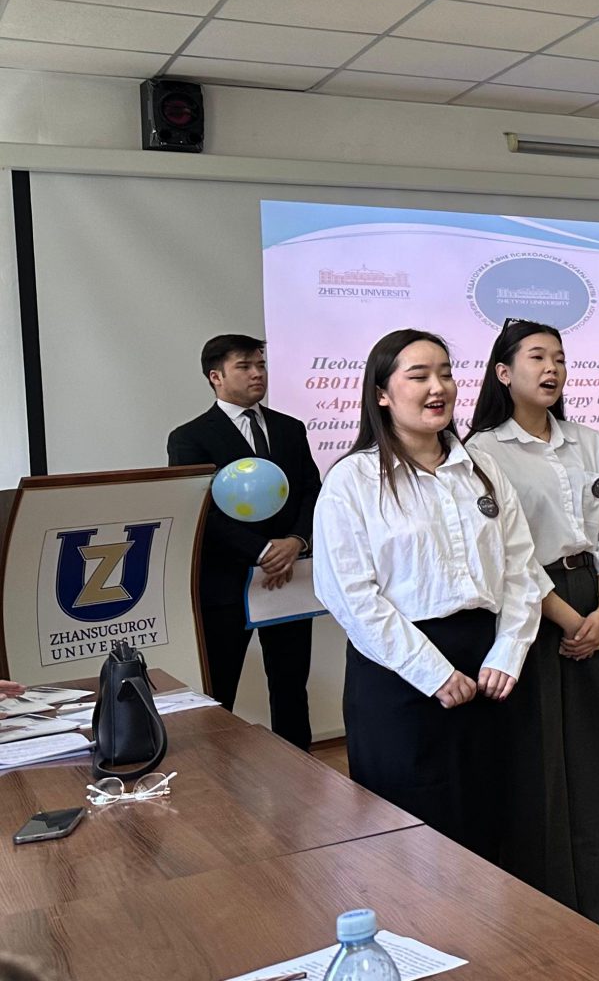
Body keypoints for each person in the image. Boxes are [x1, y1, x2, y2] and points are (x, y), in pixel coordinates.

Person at [312, 329, 544, 861]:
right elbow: (350, 595)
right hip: (399, 673)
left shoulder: (481, 470)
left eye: (445, 373)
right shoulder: (353, 480)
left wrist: (509, 652)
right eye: (418, 376)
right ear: (381, 394)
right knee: (409, 837)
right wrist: (432, 672)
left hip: (490, 670)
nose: (438, 387)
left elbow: (521, 570)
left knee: (495, 823)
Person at [464, 320, 599, 932]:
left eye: (559, 357)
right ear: (503, 372)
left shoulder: (589, 441)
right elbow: (510, 552)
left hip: (597, 599)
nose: (552, 368)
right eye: (537, 357)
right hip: (531, 607)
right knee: (542, 762)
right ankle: (552, 916)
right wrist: (566, 617)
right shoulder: (483, 450)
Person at [167, 334, 321, 751]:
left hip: (290, 577)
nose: (258, 374)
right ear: (215, 377)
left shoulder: (290, 428)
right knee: (220, 688)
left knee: (291, 684)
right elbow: (200, 510)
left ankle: (299, 766)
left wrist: (296, 541)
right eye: (245, 366)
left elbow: (311, 490)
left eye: (261, 365)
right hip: (227, 584)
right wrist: (262, 551)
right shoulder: (190, 437)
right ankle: (218, 771)